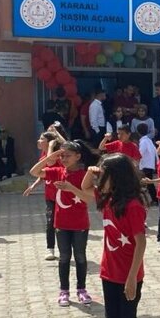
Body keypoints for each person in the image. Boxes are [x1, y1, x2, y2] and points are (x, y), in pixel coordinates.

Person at [75, 153, 147, 318]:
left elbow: (140, 244)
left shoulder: (133, 206)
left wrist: (131, 278)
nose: (98, 180)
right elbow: (83, 187)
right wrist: (94, 170)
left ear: (115, 177)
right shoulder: (107, 200)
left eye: (103, 175)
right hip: (109, 274)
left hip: (130, 277)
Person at [30, 142, 98, 307]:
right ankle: (64, 291)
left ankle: (81, 289)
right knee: (64, 257)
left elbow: (89, 199)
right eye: (62, 155)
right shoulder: (58, 171)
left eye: (68, 155)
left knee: (80, 257)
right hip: (61, 223)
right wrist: (50, 157)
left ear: (78, 156)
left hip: (80, 222)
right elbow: (34, 172)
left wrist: (70, 188)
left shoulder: (84, 175)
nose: (64, 158)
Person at [23, 130, 64, 261]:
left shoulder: (56, 155)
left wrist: (52, 146)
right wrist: (33, 186)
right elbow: (43, 174)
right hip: (50, 194)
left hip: (61, 194)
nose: (38, 141)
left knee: (61, 223)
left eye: (42, 139)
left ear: (49, 142)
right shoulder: (43, 155)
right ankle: (50, 249)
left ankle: (65, 249)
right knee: (50, 222)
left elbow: (51, 163)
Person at [135, 123, 158, 204]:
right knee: (148, 183)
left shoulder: (143, 142)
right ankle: (154, 199)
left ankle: (153, 200)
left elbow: (140, 153)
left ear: (138, 132)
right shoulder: (149, 140)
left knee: (146, 183)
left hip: (145, 165)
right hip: (149, 165)